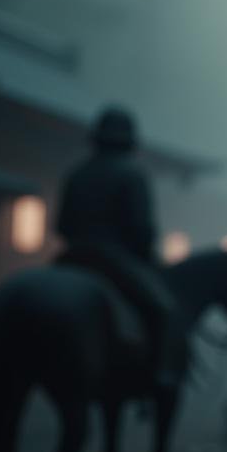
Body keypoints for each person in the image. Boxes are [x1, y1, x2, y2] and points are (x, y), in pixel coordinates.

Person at [55, 105, 183, 390]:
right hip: (113, 260)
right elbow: (141, 230)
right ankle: (159, 373)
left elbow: (61, 226)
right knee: (163, 308)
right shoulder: (132, 174)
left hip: (71, 258)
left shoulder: (77, 173)